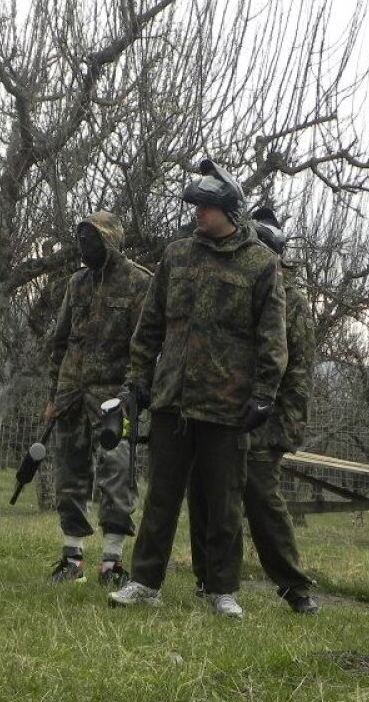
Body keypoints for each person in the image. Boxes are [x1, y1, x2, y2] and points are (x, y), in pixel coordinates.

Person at [107, 160, 289, 618]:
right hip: (173, 399)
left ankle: (220, 590)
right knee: (161, 497)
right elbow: (150, 326)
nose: (197, 214)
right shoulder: (177, 255)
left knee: (224, 503)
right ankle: (144, 582)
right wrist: (138, 382)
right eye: (195, 206)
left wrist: (265, 394)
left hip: (229, 407)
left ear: (227, 209)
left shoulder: (261, 264)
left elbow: (273, 337)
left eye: (205, 207)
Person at [187, 206, 319, 613]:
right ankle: (209, 577)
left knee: (262, 500)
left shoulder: (291, 301)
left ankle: (294, 588)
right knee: (205, 494)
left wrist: (283, 425)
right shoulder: (224, 284)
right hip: (218, 410)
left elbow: (296, 369)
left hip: (264, 419)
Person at [46, 212, 152, 585]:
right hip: (72, 397)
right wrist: (55, 394)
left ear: (109, 241)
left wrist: (132, 397)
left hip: (114, 402)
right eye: (80, 239)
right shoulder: (76, 284)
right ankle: (71, 557)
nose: (82, 246)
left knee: (117, 477)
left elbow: (147, 347)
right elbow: (59, 343)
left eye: (90, 239)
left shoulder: (140, 283)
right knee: (69, 477)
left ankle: (112, 563)